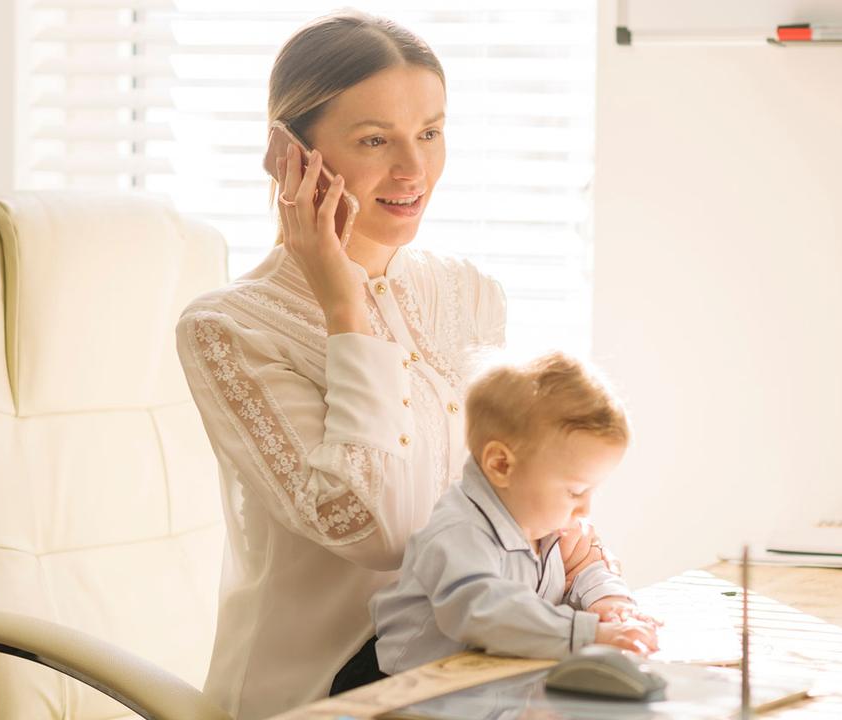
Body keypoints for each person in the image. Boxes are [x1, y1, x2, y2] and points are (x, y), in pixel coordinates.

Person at [175, 11, 609, 718]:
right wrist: (347, 310)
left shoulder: (468, 294)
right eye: (376, 140)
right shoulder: (227, 329)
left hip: (472, 671)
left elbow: (517, 499)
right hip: (326, 696)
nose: (414, 169)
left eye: (430, 133)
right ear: (291, 153)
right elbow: (378, 531)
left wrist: (594, 587)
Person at [352, 352, 658, 690]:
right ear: (501, 465)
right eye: (575, 491)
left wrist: (610, 603)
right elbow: (486, 611)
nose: (585, 508)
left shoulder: (541, 522)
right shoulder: (460, 530)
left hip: (483, 686)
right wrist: (590, 633)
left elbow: (586, 565)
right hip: (405, 690)